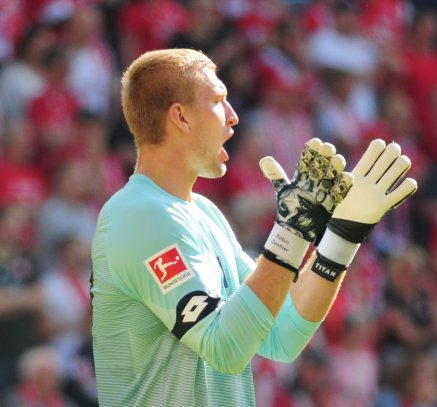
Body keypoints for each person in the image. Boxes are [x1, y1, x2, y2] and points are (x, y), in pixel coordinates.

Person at [90, 48, 417, 407]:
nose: (233, 117)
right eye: (218, 101)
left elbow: (282, 334)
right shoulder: (138, 215)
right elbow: (224, 348)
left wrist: (341, 235)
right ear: (180, 117)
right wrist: (290, 232)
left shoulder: (204, 213)